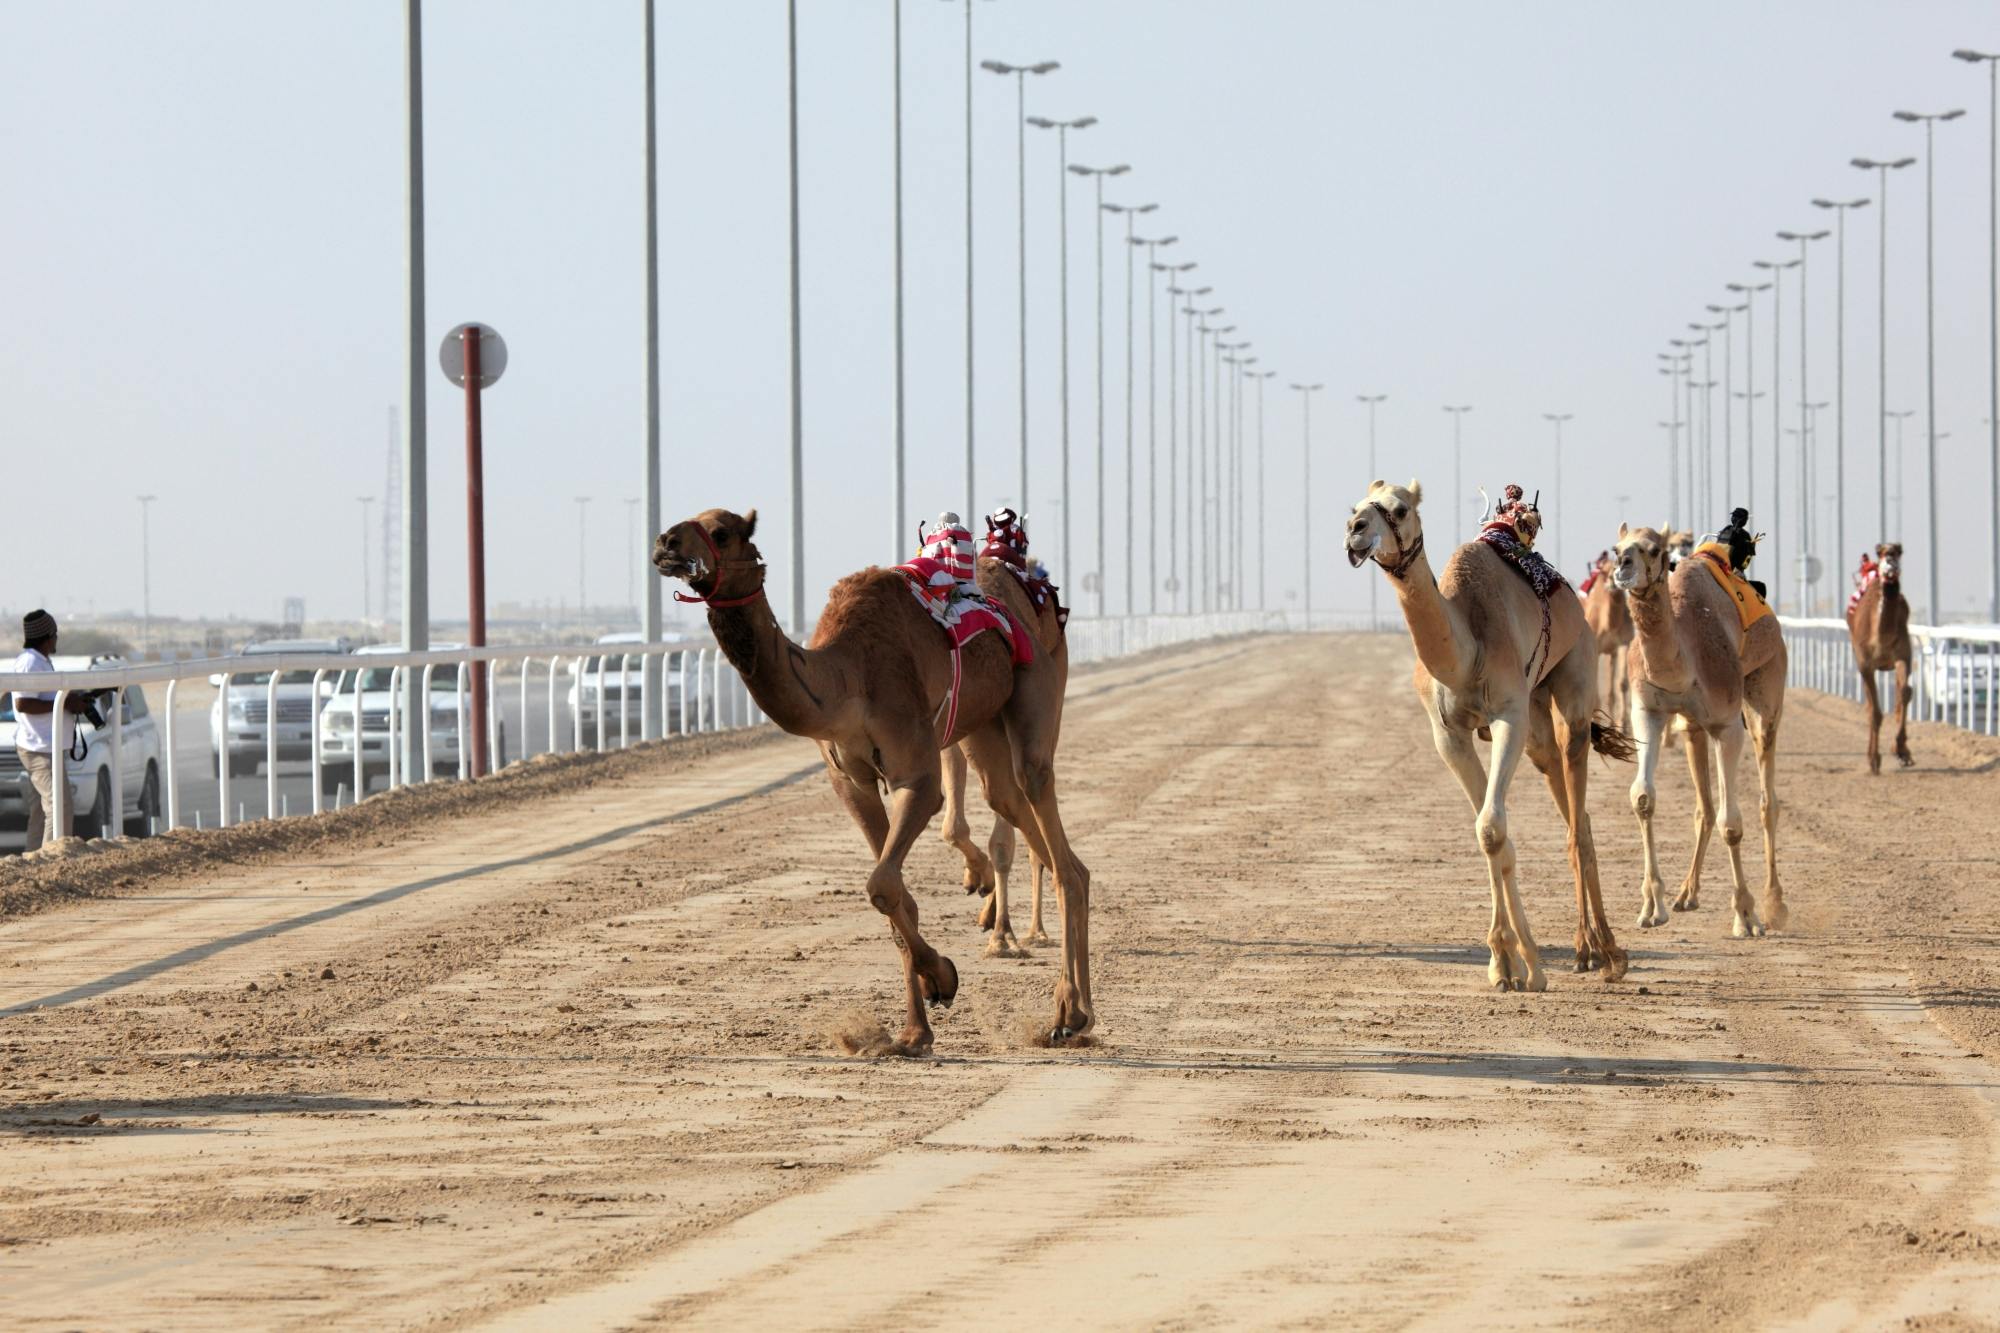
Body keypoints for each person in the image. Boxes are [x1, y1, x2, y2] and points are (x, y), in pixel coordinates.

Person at [9, 609, 93, 852]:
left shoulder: (41, 661)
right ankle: (52, 861)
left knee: (40, 811)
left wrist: (71, 701)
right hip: (38, 749)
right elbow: (23, 703)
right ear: (47, 636)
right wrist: (65, 703)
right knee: (59, 807)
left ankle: (33, 860)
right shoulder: (30, 663)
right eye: (55, 634)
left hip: (48, 747)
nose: (57, 639)